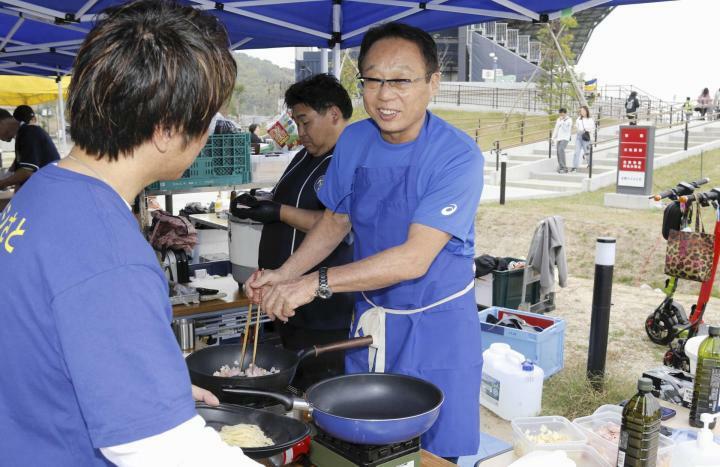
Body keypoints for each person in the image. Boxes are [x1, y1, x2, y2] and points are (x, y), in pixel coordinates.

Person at [0, 2, 258, 466]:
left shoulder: (44, 190)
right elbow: (160, 450)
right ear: (166, 130)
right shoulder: (107, 249)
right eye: (208, 120)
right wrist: (154, 418)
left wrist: (152, 386)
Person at [246, 22, 484, 463]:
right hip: (371, 319)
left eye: (400, 79)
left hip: (437, 328)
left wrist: (314, 284)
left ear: (433, 83)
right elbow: (336, 221)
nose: (384, 94)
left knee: (433, 452)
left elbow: (414, 259)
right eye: (373, 79)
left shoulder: (457, 156)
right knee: (364, 444)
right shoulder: (355, 139)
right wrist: (284, 274)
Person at [231, 74, 355, 390]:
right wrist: (261, 203)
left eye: (305, 122)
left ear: (334, 114)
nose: (301, 134)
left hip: (324, 308)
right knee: (295, 382)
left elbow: (338, 223)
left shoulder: (350, 159)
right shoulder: (304, 156)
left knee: (322, 387)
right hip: (288, 300)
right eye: (297, 124)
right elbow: (288, 199)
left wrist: (279, 212)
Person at [0, 105, 61, 190]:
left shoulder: (30, 133)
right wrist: (9, 173)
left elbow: (27, 171)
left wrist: (3, 183)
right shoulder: (22, 134)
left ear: (1, 123)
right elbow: (23, 160)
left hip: (50, 189)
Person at [572, 105, 594, 172]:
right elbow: (576, 126)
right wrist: (576, 128)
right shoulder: (578, 119)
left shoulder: (590, 119)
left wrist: (585, 130)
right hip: (579, 137)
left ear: (586, 111)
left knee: (587, 152)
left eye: (583, 111)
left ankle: (590, 164)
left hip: (586, 136)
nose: (582, 112)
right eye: (581, 111)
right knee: (576, 152)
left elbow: (592, 128)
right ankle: (575, 167)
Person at [551, 108, 572, 173]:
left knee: (561, 150)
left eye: (562, 114)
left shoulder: (569, 120)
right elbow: (556, 128)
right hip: (559, 138)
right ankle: (561, 166)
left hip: (565, 138)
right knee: (558, 152)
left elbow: (566, 129)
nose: (561, 115)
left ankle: (564, 167)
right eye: (560, 114)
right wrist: (553, 138)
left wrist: (562, 121)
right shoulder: (558, 119)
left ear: (565, 113)